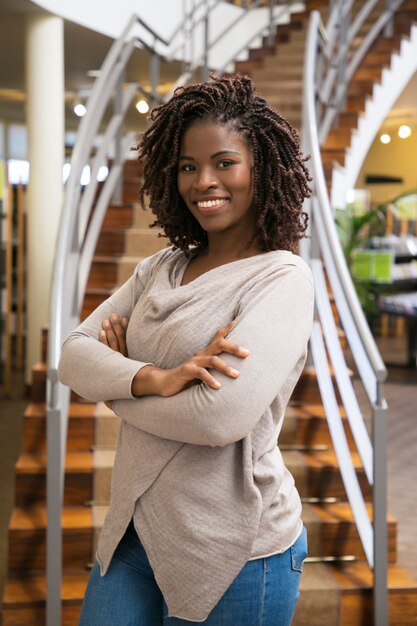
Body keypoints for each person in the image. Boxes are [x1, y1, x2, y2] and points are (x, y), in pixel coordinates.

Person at [58, 73, 314, 626]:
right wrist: (157, 377)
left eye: (225, 162)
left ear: (261, 169)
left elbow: (218, 416)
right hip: (134, 530)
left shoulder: (282, 279)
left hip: (240, 549)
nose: (204, 181)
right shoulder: (161, 267)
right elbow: (73, 356)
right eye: (187, 167)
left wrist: (114, 387)